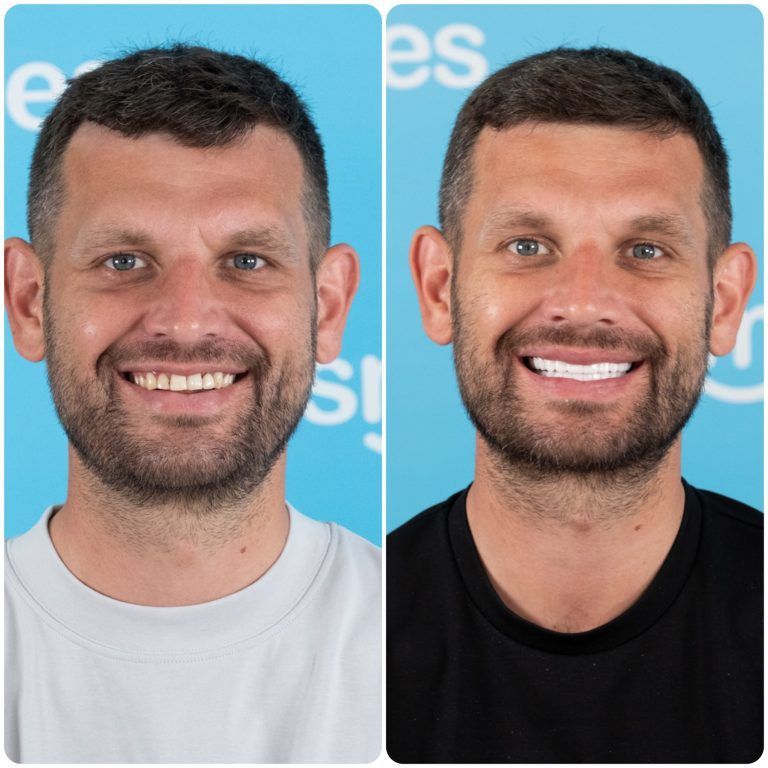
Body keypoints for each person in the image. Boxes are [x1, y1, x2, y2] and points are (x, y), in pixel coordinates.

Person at [5, 44, 379, 763]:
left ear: (328, 307)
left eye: (246, 262)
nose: (184, 320)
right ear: (30, 300)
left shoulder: (422, 635)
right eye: (123, 262)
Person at [387, 46, 761, 763]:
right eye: (528, 244)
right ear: (439, 288)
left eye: (646, 249)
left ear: (723, 301)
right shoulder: (342, 636)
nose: (585, 302)